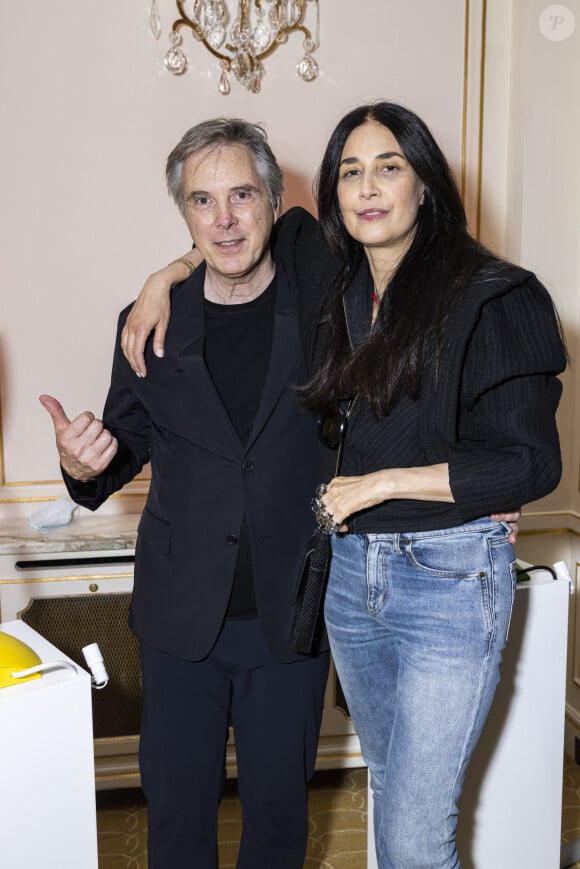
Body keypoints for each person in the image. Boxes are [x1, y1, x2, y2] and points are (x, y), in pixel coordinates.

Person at [121, 103, 565, 867]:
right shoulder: (336, 277)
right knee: (392, 801)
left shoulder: (495, 292)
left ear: (426, 182)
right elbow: (244, 234)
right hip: (352, 578)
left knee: (415, 830)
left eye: (389, 166)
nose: (367, 186)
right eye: (350, 171)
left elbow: (529, 461)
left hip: (443, 573)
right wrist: (168, 272)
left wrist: (385, 483)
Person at [39, 119, 331, 869]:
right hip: (177, 622)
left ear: (271, 200)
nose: (224, 218)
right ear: (185, 215)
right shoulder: (147, 324)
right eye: (202, 201)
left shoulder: (324, 309)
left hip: (289, 619)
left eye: (241, 195)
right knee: (175, 823)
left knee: (277, 825)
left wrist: (163, 268)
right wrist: (80, 460)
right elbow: (120, 451)